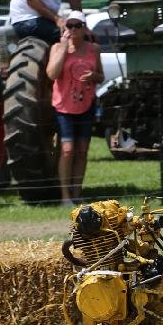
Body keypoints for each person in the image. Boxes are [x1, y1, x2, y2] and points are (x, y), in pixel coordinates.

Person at [47, 11, 103, 207]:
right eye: (69, 25)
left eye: (76, 25)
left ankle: (76, 194)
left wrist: (93, 75)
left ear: (84, 28)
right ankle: (65, 197)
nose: (72, 29)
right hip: (64, 106)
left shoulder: (93, 49)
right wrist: (63, 47)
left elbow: (101, 77)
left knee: (82, 151)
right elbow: (52, 74)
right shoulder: (57, 47)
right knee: (67, 150)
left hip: (86, 104)